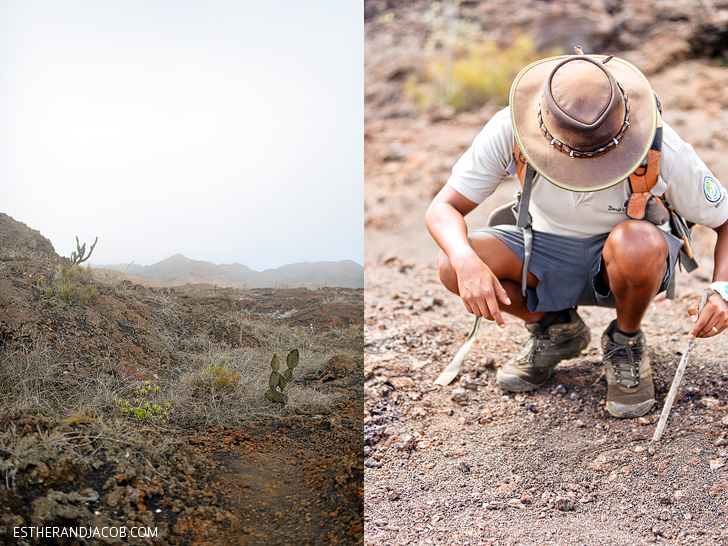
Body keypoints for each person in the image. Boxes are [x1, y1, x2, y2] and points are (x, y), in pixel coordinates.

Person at [425, 52, 728, 418]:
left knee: (637, 243)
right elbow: (444, 208)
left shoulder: (664, 147)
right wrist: (465, 261)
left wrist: (722, 290)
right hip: (544, 251)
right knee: (450, 263)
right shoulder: (510, 129)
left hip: (628, 260)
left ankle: (625, 340)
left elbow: (725, 221)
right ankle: (557, 331)